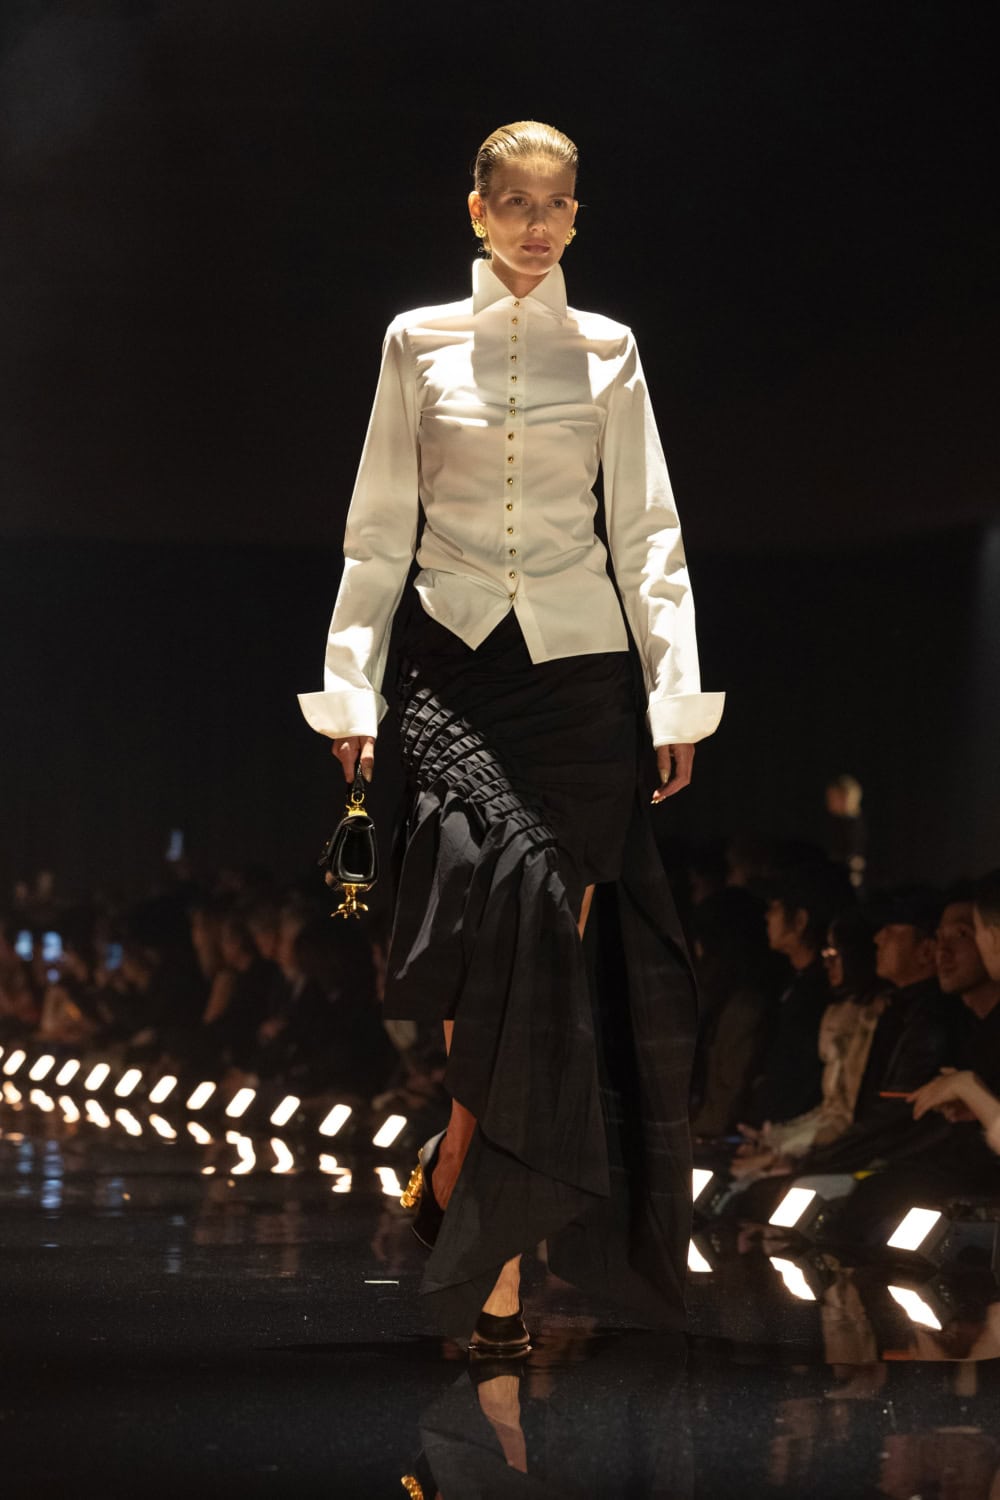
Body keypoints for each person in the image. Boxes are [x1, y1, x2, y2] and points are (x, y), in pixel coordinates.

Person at [297, 121, 724, 1351]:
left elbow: (646, 533)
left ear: (577, 215)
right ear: (476, 210)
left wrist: (675, 695)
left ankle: (491, 1274)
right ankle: (459, 1179)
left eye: (557, 203)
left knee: (546, 972)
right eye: (516, 202)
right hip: (454, 671)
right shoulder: (416, 340)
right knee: (480, 952)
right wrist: (349, 691)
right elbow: (377, 528)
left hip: (582, 685)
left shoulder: (610, 349)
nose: (538, 224)